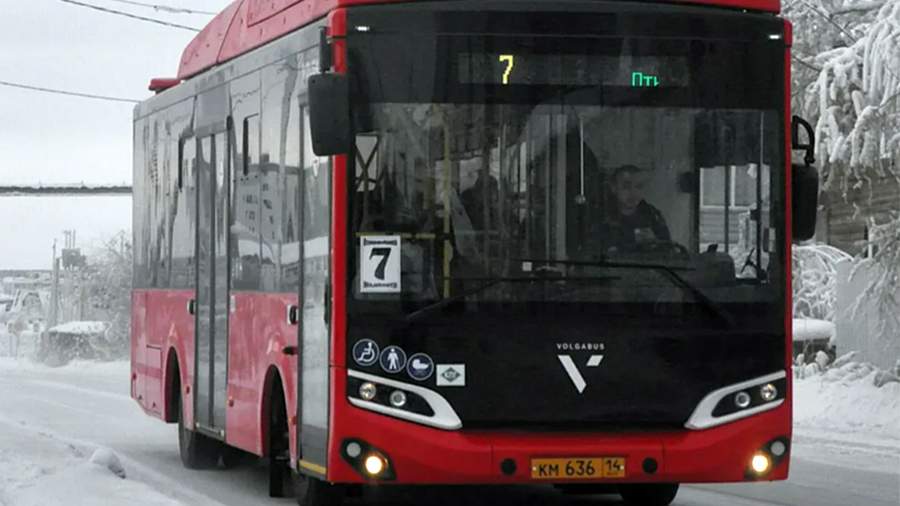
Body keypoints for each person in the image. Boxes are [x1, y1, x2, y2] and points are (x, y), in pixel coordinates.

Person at [596, 164, 671, 255]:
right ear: (614, 188)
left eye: (639, 186)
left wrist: (655, 243)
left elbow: (668, 251)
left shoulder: (652, 216)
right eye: (626, 187)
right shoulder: (601, 217)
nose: (633, 193)